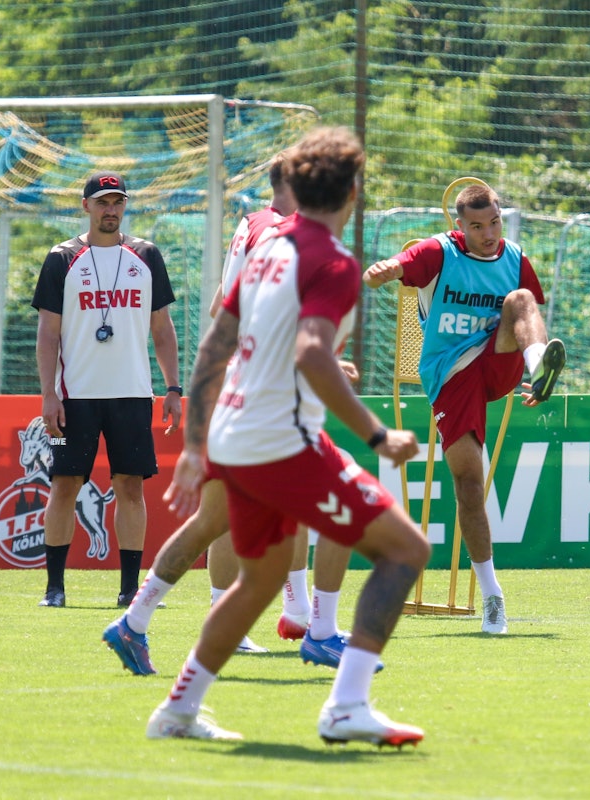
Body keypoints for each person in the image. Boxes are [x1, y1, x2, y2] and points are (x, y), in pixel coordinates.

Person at [147, 125, 430, 746]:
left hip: (233, 437)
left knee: (259, 582)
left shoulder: (266, 249)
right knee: (407, 550)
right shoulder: (332, 262)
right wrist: (378, 435)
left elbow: (214, 347)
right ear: (353, 189)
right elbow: (312, 354)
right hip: (281, 443)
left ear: (296, 188)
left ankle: (176, 711)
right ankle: (347, 704)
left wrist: (196, 445)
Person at [102, 150, 360, 673]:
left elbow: (227, 305)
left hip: (240, 391)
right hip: (267, 400)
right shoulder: (288, 236)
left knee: (215, 519)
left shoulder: (252, 227)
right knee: (343, 506)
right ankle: (319, 632)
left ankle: (137, 623)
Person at [363, 183, 566, 635]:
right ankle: (493, 596)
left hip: (498, 359)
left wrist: (531, 366)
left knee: (519, 299)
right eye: (477, 226)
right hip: (451, 375)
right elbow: (405, 265)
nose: (489, 232)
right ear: (460, 226)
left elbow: (527, 314)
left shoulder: (514, 256)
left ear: (500, 214)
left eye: (494, 221)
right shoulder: (440, 252)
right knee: (469, 483)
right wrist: (384, 270)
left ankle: (539, 367)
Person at [32, 171, 181, 608]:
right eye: (102, 202)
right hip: (75, 392)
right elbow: (48, 332)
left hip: (132, 393)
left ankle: (130, 591)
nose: (110, 209)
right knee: (64, 485)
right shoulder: (62, 258)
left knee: (130, 486)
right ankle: (55, 588)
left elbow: (162, 327)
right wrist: (48, 394)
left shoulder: (146, 255)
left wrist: (172, 386)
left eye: (117, 201)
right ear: (86, 207)